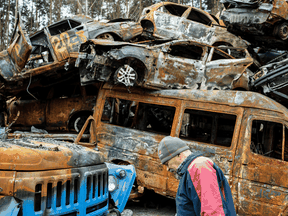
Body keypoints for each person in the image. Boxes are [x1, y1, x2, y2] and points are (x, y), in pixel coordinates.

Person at [158, 136, 236, 216]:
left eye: (167, 163)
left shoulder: (200, 167)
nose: (167, 168)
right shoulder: (189, 170)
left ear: (178, 155)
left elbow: (213, 211)